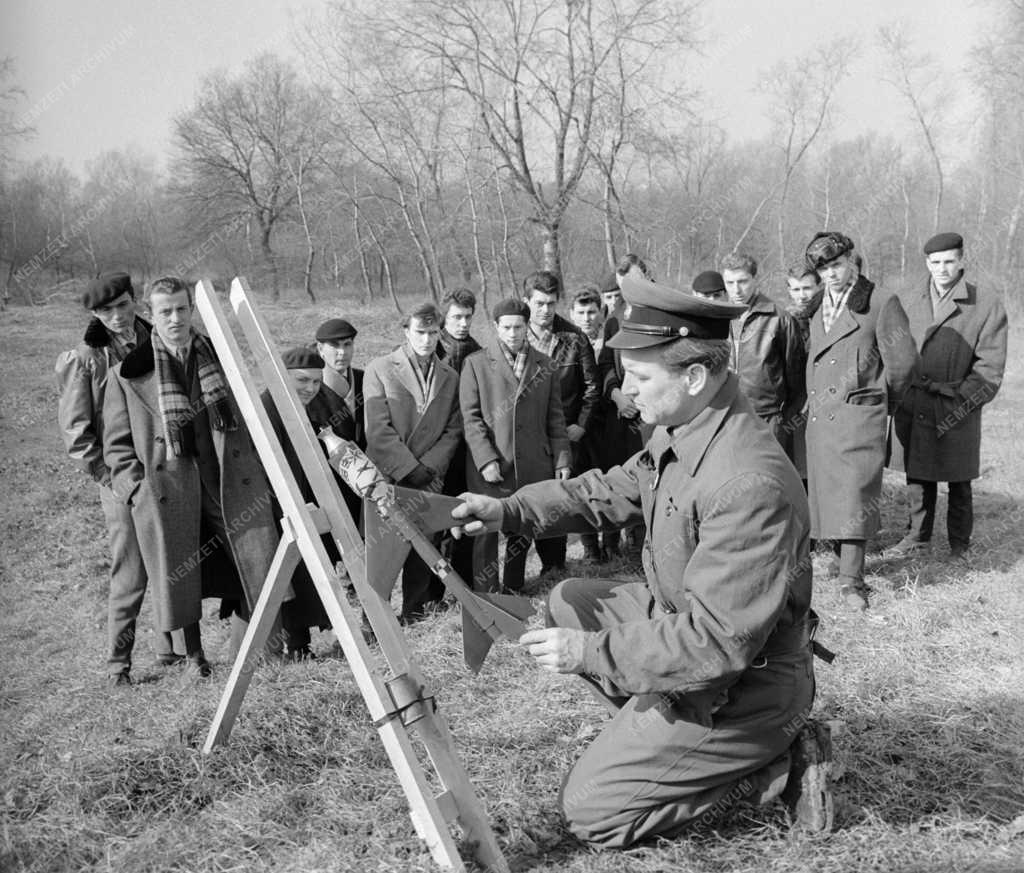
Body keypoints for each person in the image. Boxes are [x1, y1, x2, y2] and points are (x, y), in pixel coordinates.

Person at [452, 272, 830, 848]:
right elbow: (613, 488)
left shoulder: (748, 482)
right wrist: (510, 511)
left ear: (696, 375)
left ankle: (768, 771)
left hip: (743, 688)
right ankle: (658, 731)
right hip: (684, 625)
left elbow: (718, 643)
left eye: (639, 377)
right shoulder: (689, 422)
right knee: (571, 600)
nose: (625, 391)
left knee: (590, 815)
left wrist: (590, 652)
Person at [103, 276, 281, 676]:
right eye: (165, 311)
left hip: (224, 477)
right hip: (167, 487)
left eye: (182, 309)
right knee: (181, 569)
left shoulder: (217, 356)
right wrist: (137, 489)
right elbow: (115, 446)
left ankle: (267, 645)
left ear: (192, 310)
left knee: (254, 555)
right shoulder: (127, 374)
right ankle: (194, 657)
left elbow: (247, 418)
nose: (175, 318)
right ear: (151, 314)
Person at [56, 271, 166, 685]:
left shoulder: (157, 339)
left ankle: (171, 650)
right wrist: (110, 479)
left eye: (122, 306)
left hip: (165, 466)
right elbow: (77, 434)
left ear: (134, 300)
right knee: (131, 569)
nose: (117, 317)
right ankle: (118, 664)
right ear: (95, 314)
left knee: (170, 560)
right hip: (120, 478)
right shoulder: (85, 358)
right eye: (106, 311)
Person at [803, 232, 917, 609]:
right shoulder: (819, 303)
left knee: (854, 493)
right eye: (823, 269)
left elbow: (903, 364)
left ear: (852, 259)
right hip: (823, 415)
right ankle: (839, 559)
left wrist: (881, 402)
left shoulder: (880, 301)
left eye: (836, 265)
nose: (830, 275)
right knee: (829, 491)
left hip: (859, 414)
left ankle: (852, 581)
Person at [890, 232, 1008, 559]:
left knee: (960, 479)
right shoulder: (907, 299)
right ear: (927, 263)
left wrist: (961, 400)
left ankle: (960, 545)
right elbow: (893, 349)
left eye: (949, 262)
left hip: (957, 404)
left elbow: (991, 367)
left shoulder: (985, 304)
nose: (942, 269)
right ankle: (916, 538)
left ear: (961, 262)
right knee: (918, 475)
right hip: (915, 401)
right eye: (935, 262)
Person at [459, 299, 571, 591]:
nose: (512, 333)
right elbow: (470, 419)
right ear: (496, 327)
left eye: (518, 327)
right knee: (485, 528)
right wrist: (485, 459)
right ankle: (485, 591)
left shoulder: (545, 364)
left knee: (522, 526)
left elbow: (555, 417)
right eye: (506, 327)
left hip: (534, 461)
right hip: (493, 463)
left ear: (526, 327)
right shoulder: (476, 364)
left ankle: (513, 587)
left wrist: (562, 459)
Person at [363, 301, 462, 623]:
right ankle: (374, 620)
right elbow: (377, 430)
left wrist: (429, 467)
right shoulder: (379, 369)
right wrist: (409, 468)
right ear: (406, 331)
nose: (427, 340)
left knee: (424, 545)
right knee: (383, 551)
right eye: (420, 332)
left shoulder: (450, 375)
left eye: (433, 333)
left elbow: (453, 429)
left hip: (430, 475)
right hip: (390, 475)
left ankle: (415, 613)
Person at [261, 346, 354, 659]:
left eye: (316, 381)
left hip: (313, 502)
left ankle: (322, 638)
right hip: (275, 505)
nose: (310, 388)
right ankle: (295, 645)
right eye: (302, 380)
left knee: (317, 570)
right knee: (291, 575)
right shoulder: (267, 406)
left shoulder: (317, 406)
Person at [522, 271, 600, 575]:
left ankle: (554, 566)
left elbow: (592, 387)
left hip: (564, 433)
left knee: (560, 498)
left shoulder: (574, 338)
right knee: (530, 498)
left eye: (551, 303)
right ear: (527, 300)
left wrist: (580, 425)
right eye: (539, 303)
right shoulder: (515, 333)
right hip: (527, 435)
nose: (545, 310)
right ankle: (518, 569)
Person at [721, 253, 806, 456]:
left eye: (742, 281)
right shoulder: (718, 317)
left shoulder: (780, 319)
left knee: (769, 479)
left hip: (768, 418)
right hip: (725, 415)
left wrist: (783, 418)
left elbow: (797, 379)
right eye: (730, 282)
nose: (736, 289)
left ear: (755, 279)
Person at [598, 255, 654, 556]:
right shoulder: (614, 317)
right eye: (621, 287)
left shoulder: (663, 309)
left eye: (631, 283)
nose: (626, 291)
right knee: (627, 473)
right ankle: (626, 544)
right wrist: (617, 395)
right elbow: (606, 363)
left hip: (656, 411)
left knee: (655, 473)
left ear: (645, 275)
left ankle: (652, 542)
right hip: (624, 411)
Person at [435, 288, 483, 586]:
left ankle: (464, 584)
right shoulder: (433, 347)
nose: (463, 323)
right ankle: (433, 589)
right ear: (444, 317)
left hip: (467, 447)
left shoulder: (477, 351)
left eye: (468, 317)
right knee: (436, 519)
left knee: (465, 515)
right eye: (457, 317)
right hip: (437, 446)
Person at [568, 286, 607, 563]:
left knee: (609, 483)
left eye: (591, 312)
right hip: (578, 427)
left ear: (601, 313)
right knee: (581, 486)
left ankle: (614, 542)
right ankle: (591, 548)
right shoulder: (570, 342)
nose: (586, 318)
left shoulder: (612, 339)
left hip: (609, 424)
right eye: (581, 312)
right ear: (572, 314)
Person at [785, 265, 824, 489]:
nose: (802, 295)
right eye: (796, 289)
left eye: (807, 288)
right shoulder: (783, 319)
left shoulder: (829, 316)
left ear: (818, 287)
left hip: (825, 398)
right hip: (795, 401)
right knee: (798, 465)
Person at [315, 317, 365, 449]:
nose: (342, 352)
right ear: (320, 349)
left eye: (347, 344)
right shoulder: (312, 386)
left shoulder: (364, 379)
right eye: (335, 345)